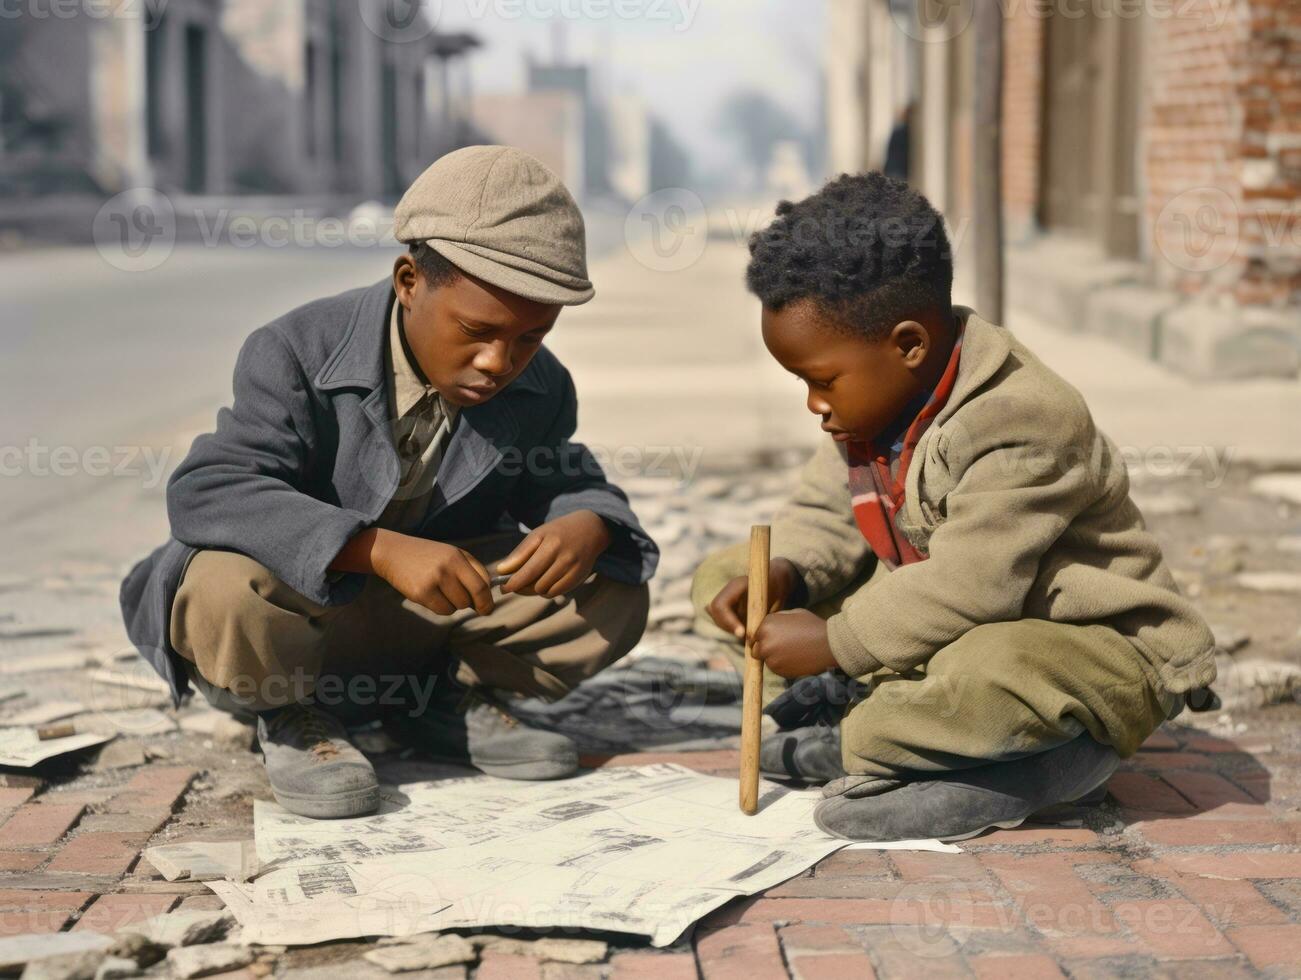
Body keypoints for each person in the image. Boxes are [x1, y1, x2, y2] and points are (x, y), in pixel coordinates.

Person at [120, 146, 656, 819]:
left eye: (530, 337)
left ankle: (438, 705)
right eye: (477, 331)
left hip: (419, 630)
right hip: (300, 624)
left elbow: (565, 476)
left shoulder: (540, 384)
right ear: (409, 281)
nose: (500, 362)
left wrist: (588, 520)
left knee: (611, 583)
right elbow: (210, 489)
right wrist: (374, 548)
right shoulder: (296, 351)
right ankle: (291, 717)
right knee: (223, 585)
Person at [693, 172, 1216, 842]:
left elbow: (975, 585)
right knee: (725, 580)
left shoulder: (1023, 417)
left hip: (1081, 650)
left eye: (822, 381)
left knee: (984, 674)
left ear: (907, 344)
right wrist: (788, 573)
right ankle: (888, 731)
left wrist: (833, 643)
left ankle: (1028, 760)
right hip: (938, 630)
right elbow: (825, 512)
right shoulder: (872, 401)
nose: (813, 405)